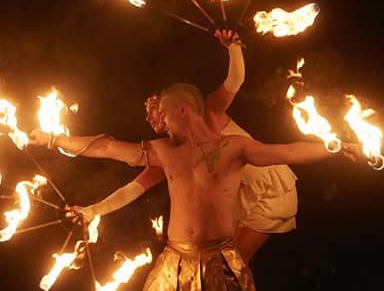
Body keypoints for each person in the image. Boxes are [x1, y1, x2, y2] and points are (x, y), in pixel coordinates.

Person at [30, 83, 361, 291]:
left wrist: (335, 147)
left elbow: (289, 151)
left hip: (222, 259)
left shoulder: (233, 147)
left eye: (164, 113)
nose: (158, 121)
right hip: (173, 261)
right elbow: (106, 148)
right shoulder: (163, 152)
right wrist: (53, 139)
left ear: (183, 110)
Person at [66, 29, 297, 266]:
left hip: (271, 189)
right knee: (218, 267)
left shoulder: (207, 112)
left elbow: (235, 81)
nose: (151, 120)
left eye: (156, 111)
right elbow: (133, 189)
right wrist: (94, 210)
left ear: (177, 106)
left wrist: (234, 48)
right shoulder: (173, 149)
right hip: (238, 194)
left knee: (231, 266)